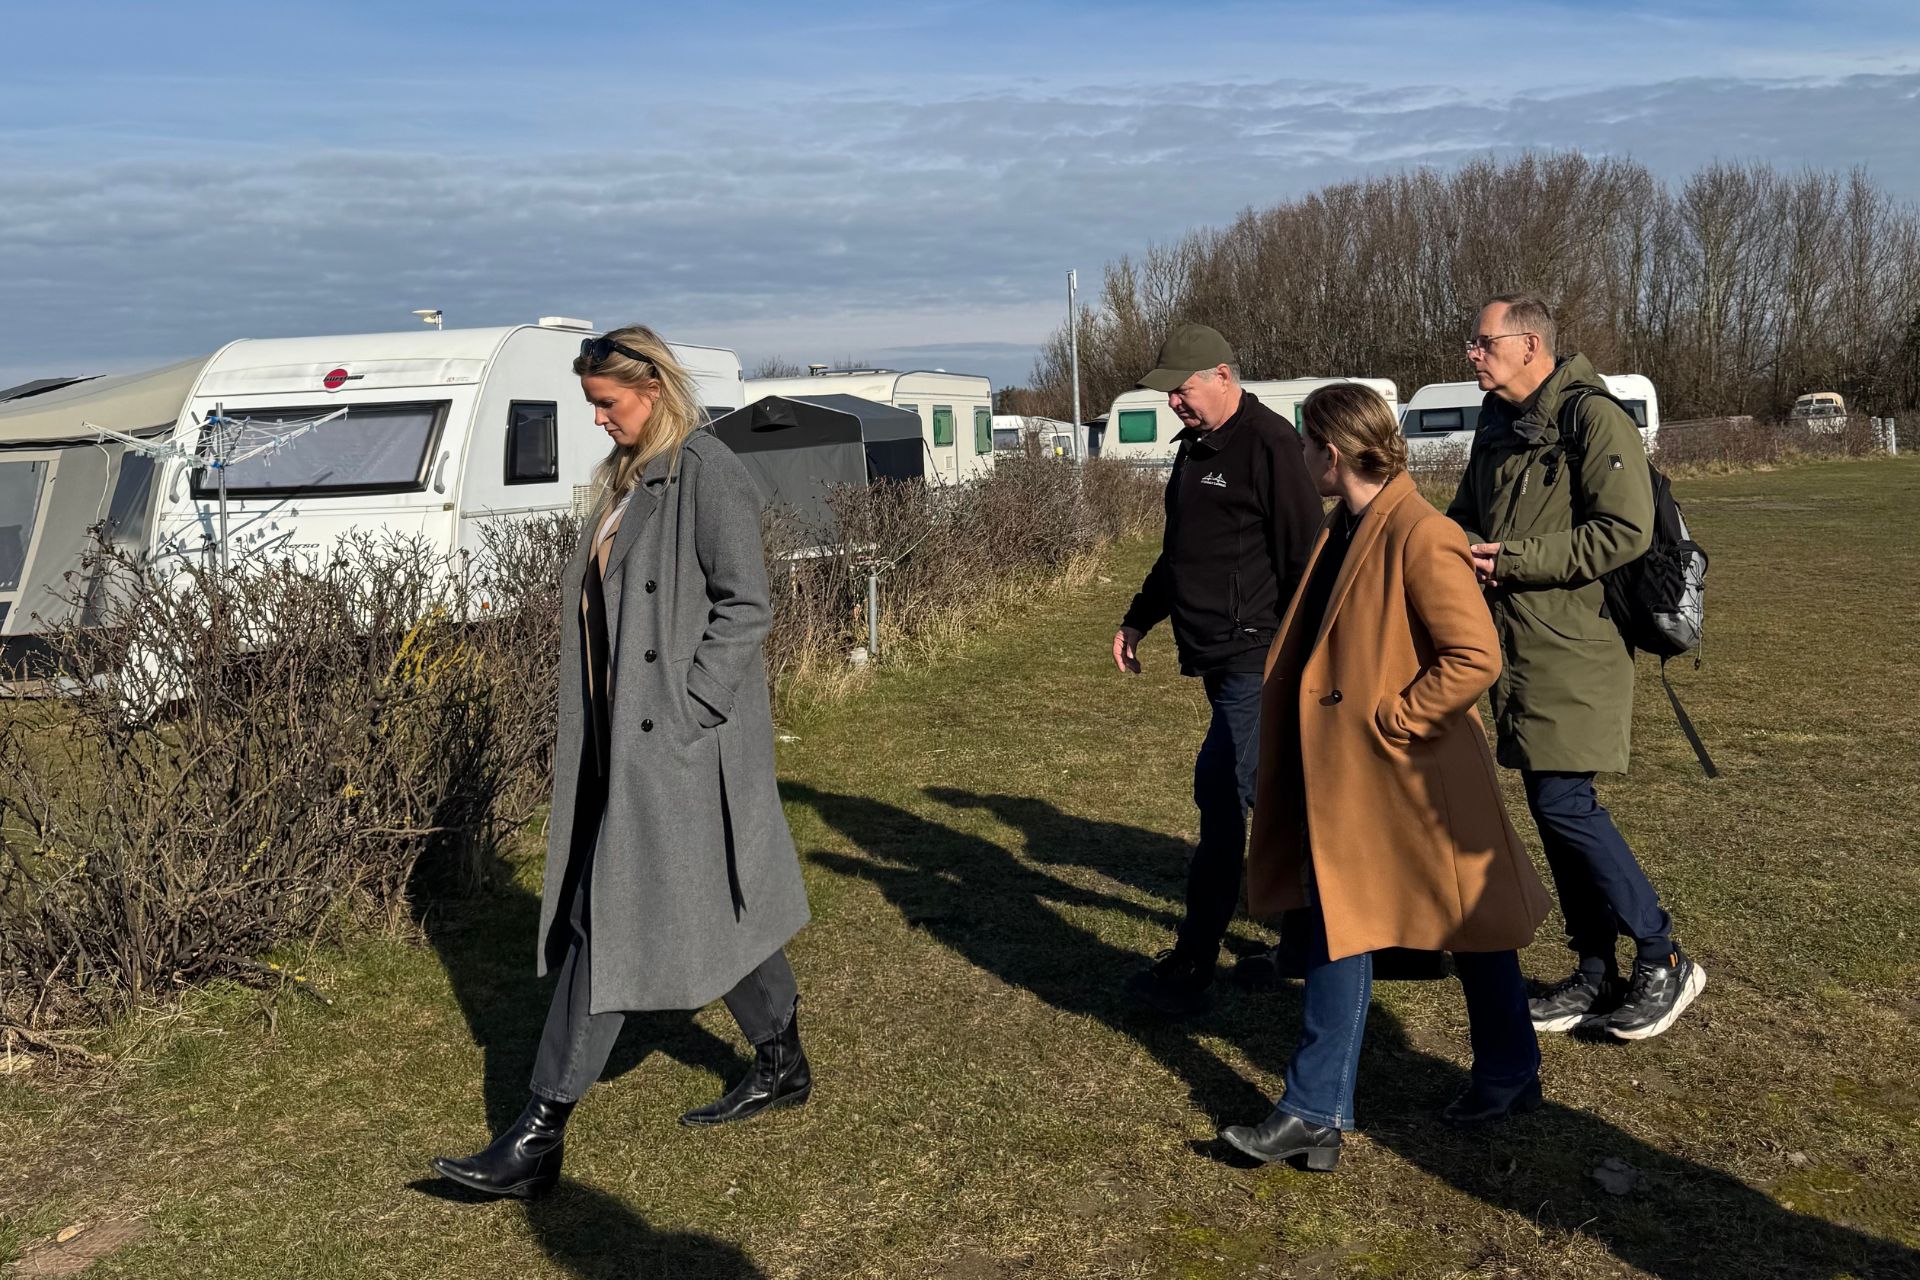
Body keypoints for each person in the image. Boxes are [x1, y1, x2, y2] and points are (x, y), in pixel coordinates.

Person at [432, 326, 813, 1200]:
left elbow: (747, 604)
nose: (597, 420)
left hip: (679, 749)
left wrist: (690, 708)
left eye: (607, 403)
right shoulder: (627, 479)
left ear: (654, 388)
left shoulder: (705, 472)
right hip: (621, 744)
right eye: (591, 405)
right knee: (715, 903)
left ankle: (537, 1133)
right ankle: (783, 1060)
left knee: (611, 923)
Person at [1219, 383, 1550, 1169]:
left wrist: (1395, 720)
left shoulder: (1419, 532)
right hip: (1364, 776)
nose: (1301, 459)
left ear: (1331, 454)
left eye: (1307, 446)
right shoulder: (1352, 527)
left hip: (1408, 775)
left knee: (1369, 922)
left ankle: (1312, 1111)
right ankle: (1507, 1071)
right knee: (1454, 926)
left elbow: (1474, 656)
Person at [1447, 294, 1705, 1041]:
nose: (1472, 353)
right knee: (1549, 807)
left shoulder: (1593, 418)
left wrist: (1515, 559)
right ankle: (1595, 971)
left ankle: (1662, 954)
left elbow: (1624, 530)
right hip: (1517, 646)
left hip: (1578, 645)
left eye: (1482, 341)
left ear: (1530, 345)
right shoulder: (1497, 426)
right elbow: (1468, 511)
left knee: (1564, 803)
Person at [1111, 323, 1322, 1017]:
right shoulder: (1195, 449)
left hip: (1254, 657)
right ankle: (1290, 946)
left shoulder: (1269, 445)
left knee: (1254, 801)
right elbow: (1180, 554)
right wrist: (1140, 617)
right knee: (1226, 801)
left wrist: (1306, 655)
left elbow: (1303, 557)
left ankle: (1210, 961)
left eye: (1184, 388)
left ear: (1225, 377)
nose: (1175, 402)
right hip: (1214, 658)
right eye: (1169, 391)